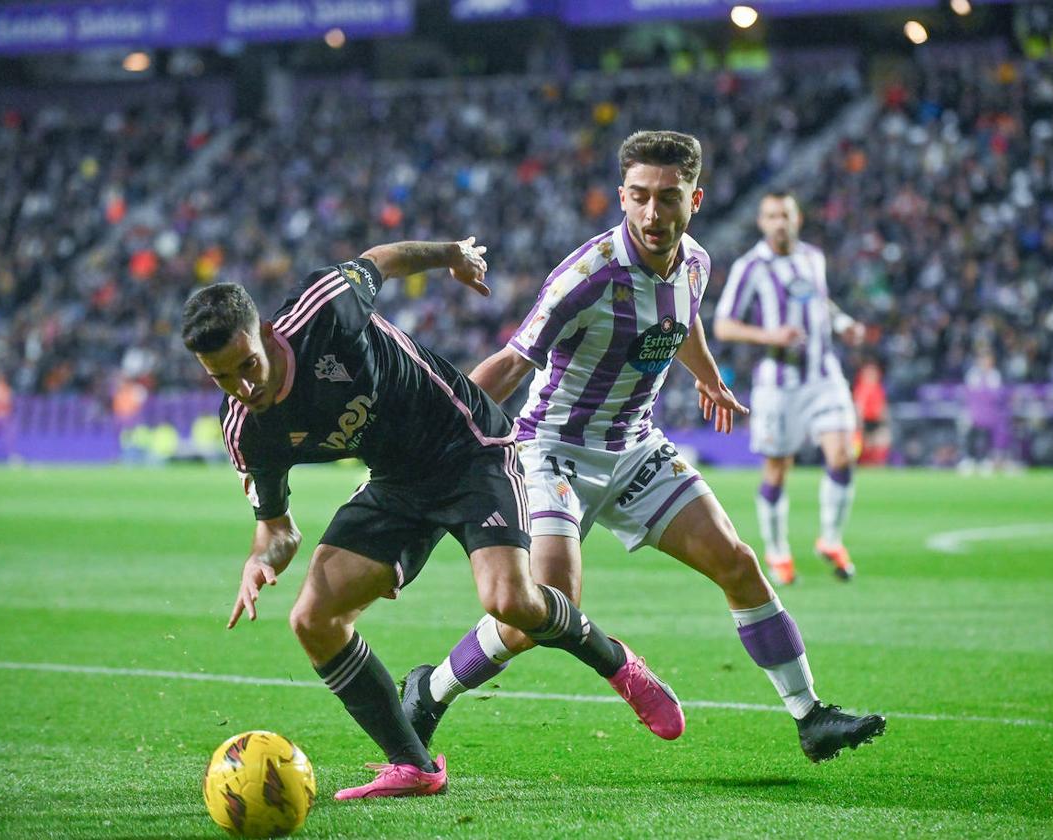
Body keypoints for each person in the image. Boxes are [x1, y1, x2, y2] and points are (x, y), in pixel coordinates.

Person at [402, 132, 885, 764]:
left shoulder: (696, 264)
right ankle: (429, 691)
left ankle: (810, 716)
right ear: (622, 196)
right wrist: (439, 439)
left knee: (737, 562)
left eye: (667, 198)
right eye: (639, 198)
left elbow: (680, 321)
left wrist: (707, 373)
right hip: (551, 450)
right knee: (544, 612)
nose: (652, 214)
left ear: (696, 199)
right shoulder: (586, 276)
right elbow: (512, 363)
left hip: (633, 447)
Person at [180, 237, 683, 801]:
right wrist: (259, 561)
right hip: (397, 482)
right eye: (222, 378)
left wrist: (451, 255)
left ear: (267, 333)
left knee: (510, 602)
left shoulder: (323, 309)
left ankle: (620, 664)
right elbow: (277, 531)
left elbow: (383, 259)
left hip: (467, 446)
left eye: (247, 365)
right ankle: (414, 766)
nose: (244, 387)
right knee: (312, 619)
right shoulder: (245, 429)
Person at [713, 192, 866, 585]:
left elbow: (820, 302)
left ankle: (831, 539)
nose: (779, 222)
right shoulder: (751, 266)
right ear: (762, 223)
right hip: (779, 386)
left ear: (797, 218)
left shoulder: (813, 257)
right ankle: (778, 551)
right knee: (778, 469)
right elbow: (723, 325)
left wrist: (842, 322)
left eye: (785, 214)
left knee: (843, 454)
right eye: (771, 216)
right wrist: (771, 335)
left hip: (823, 375)